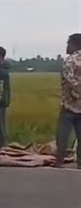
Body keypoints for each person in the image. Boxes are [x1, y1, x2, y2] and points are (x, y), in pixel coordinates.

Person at [55, 33, 81, 169]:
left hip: (69, 105)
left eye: (68, 43)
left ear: (75, 44)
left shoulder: (69, 61)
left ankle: (59, 162)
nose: (67, 46)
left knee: (62, 135)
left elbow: (71, 82)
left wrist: (77, 95)